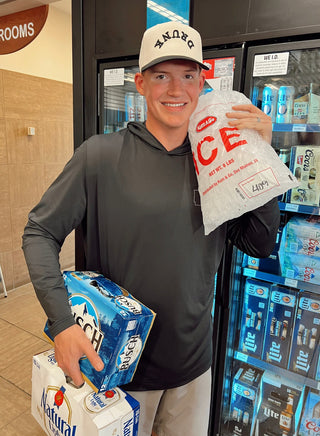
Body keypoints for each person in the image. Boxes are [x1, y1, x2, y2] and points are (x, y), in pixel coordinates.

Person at [22, 21, 280, 436]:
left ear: (202, 83)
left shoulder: (218, 162)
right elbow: (39, 232)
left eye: (188, 76)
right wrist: (63, 323)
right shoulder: (100, 157)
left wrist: (261, 157)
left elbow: (259, 244)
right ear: (140, 83)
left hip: (193, 369)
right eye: (161, 76)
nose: (176, 90)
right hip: (114, 374)